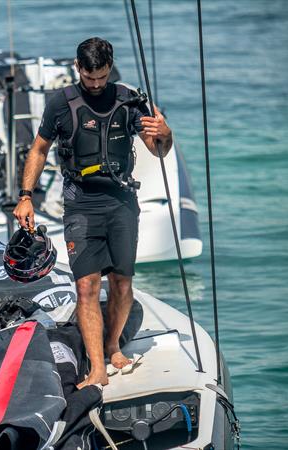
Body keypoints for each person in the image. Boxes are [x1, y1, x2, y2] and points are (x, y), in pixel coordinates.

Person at [13, 37, 172, 389]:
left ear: (109, 68)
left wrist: (165, 133)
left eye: (101, 77)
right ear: (77, 67)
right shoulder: (61, 103)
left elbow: (158, 149)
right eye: (89, 78)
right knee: (86, 285)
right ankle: (97, 367)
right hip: (81, 202)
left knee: (121, 281)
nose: (96, 84)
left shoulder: (129, 100)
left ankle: (113, 345)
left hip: (121, 201)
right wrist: (25, 196)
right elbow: (39, 150)